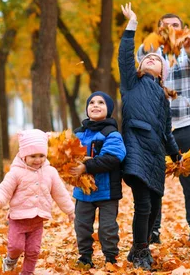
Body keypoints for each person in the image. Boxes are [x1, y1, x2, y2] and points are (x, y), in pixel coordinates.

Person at [137, 13, 190, 245]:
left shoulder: (187, 56)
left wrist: (187, 42)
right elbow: (140, 55)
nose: (170, 29)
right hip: (156, 129)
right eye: (166, 26)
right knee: (152, 182)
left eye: (175, 25)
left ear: (183, 28)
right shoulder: (151, 55)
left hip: (184, 125)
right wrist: (158, 40)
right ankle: (153, 230)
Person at [119, 2, 181, 270]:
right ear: (141, 67)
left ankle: (136, 248)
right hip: (135, 149)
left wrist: (176, 154)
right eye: (148, 58)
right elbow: (125, 56)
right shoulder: (132, 82)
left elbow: (167, 132)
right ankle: (142, 252)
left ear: (162, 73)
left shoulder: (163, 98)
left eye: (157, 59)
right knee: (143, 204)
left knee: (155, 207)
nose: (152, 59)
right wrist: (131, 24)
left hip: (155, 155)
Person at [0, 129, 75, 274]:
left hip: (38, 220)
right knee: (16, 247)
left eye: (41, 155)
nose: (38, 160)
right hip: (18, 219)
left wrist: (70, 210)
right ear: (24, 155)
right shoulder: (16, 172)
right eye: (33, 156)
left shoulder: (50, 172)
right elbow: (5, 189)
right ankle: (10, 259)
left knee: (33, 251)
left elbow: (60, 193)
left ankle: (27, 272)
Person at [70, 91, 126, 268]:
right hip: (83, 192)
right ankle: (85, 257)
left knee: (107, 228)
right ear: (87, 109)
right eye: (91, 102)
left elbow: (113, 157)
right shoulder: (77, 134)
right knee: (82, 226)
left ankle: (111, 258)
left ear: (108, 110)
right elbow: (68, 157)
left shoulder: (111, 133)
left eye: (101, 103)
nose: (95, 105)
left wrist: (86, 166)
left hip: (107, 191)